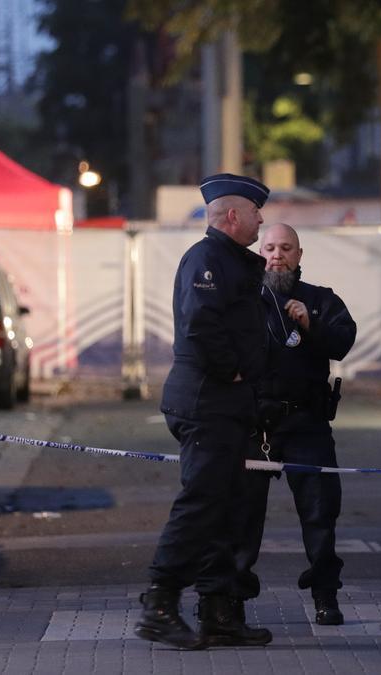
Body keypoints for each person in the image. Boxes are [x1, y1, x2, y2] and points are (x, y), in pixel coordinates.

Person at [135, 173, 273, 650]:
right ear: (232, 215)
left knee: (225, 508)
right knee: (200, 506)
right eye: (256, 211)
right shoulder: (208, 258)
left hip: (225, 406)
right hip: (208, 402)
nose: (262, 219)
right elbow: (201, 323)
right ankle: (160, 603)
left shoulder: (230, 259)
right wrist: (231, 370)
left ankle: (219, 612)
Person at [233, 223, 357, 627]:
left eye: (286, 248)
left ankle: (326, 596)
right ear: (259, 252)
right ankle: (231, 600)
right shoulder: (244, 300)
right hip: (255, 425)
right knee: (242, 518)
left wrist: (310, 326)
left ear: (299, 255)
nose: (277, 255)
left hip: (307, 422)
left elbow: (343, 340)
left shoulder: (320, 300)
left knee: (320, 514)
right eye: (269, 247)